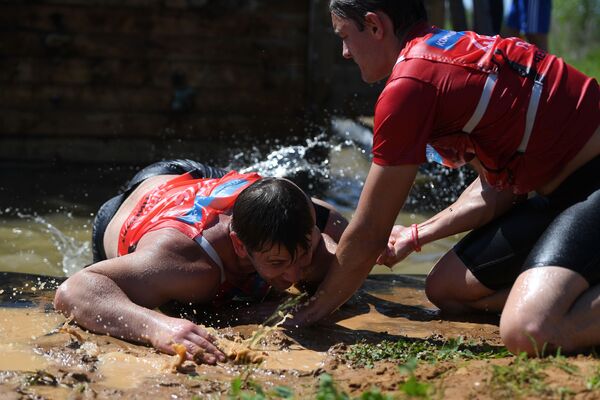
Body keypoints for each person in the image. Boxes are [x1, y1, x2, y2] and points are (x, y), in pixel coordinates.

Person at [289, 0, 599, 357]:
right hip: (563, 193)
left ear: (374, 26)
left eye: (345, 36)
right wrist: (417, 234)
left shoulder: (411, 83)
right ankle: (563, 291)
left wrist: (312, 311)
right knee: (445, 288)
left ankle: (553, 303)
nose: (344, 52)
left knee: (530, 329)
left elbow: (370, 231)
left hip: (591, 182)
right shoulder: (443, 51)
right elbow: (498, 191)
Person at [53, 160, 348, 364]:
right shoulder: (183, 262)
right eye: (279, 262)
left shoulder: (308, 239)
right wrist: (159, 328)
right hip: (136, 206)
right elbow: (74, 291)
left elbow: (335, 234)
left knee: (328, 228)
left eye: (305, 254)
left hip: (214, 183)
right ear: (239, 246)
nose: (296, 274)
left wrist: (374, 240)